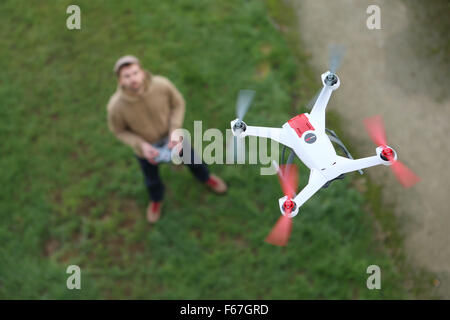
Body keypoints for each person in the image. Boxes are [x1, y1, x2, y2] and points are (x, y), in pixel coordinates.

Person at [107, 55, 227, 223]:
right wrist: (140, 145)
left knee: (194, 161)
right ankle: (156, 200)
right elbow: (119, 131)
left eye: (135, 73)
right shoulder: (116, 106)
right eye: (127, 76)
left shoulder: (162, 85)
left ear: (142, 72)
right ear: (120, 81)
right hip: (146, 150)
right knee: (151, 179)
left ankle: (206, 178)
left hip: (174, 138)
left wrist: (175, 129)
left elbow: (178, 104)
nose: (133, 79)